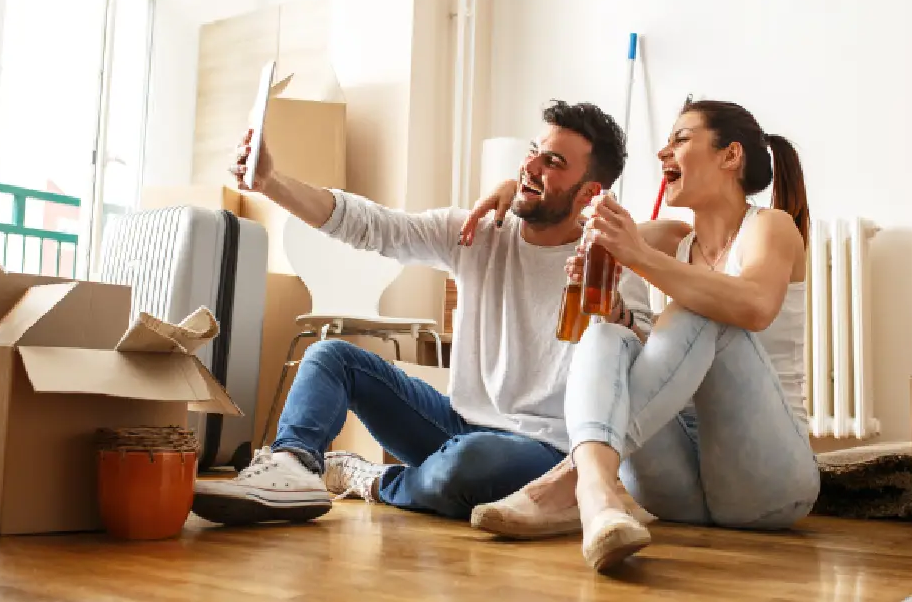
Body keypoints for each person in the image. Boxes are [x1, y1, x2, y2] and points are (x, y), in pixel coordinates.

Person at [191, 99, 655, 526]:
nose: (530, 166)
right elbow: (374, 226)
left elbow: (651, 360)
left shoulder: (613, 262)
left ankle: (370, 479)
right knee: (331, 357)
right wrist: (271, 183)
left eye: (553, 162)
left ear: (589, 190)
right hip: (455, 423)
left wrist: (618, 315)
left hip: (545, 449)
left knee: (470, 464)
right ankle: (292, 466)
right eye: (534, 151)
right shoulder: (480, 230)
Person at [462, 98, 821, 572]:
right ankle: (597, 492)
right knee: (608, 333)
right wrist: (519, 188)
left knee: (699, 311)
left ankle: (569, 484)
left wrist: (639, 255)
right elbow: (582, 214)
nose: (662, 153)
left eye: (681, 139)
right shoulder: (671, 238)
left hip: (769, 482)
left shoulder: (770, 227)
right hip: (678, 493)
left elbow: (753, 306)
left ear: (730, 156)